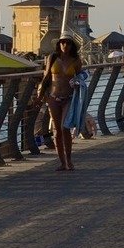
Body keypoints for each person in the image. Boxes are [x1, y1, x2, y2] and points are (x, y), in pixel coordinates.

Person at [37, 34, 82, 170]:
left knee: (65, 128)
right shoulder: (53, 57)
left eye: (68, 43)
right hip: (53, 97)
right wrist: (39, 97)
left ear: (72, 45)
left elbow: (81, 77)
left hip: (68, 97)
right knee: (57, 131)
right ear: (59, 44)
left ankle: (69, 160)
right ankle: (62, 162)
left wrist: (78, 85)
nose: (65, 45)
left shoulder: (76, 60)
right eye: (62, 42)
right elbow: (46, 77)